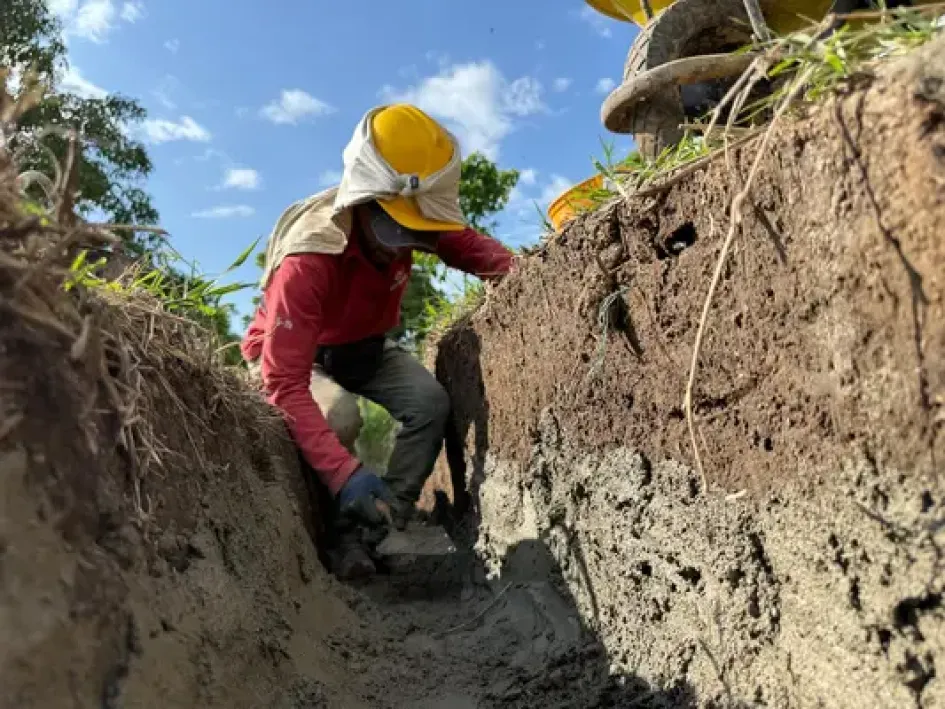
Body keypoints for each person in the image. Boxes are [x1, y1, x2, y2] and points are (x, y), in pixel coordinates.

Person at [240, 103, 514, 579]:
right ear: (365, 202)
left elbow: (469, 247)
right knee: (338, 415)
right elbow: (283, 381)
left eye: (416, 230)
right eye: (397, 226)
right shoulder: (309, 259)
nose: (406, 241)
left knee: (429, 404)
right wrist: (346, 475)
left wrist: (531, 271)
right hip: (298, 358)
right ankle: (331, 526)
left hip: (363, 347)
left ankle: (385, 520)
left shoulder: (410, 220)